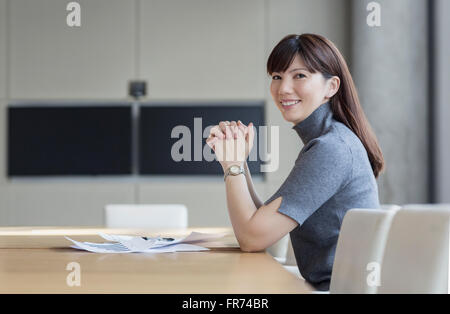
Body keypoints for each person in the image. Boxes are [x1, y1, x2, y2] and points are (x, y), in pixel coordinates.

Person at [206, 33, 384, 291]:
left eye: (299, 75)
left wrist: (233, 165)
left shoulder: (331, 149)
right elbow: (261, 224)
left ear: (331, 87)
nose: (283, 88)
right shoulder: (328, 141)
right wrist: (238, 162)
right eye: (277, 77)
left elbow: (252, 238)